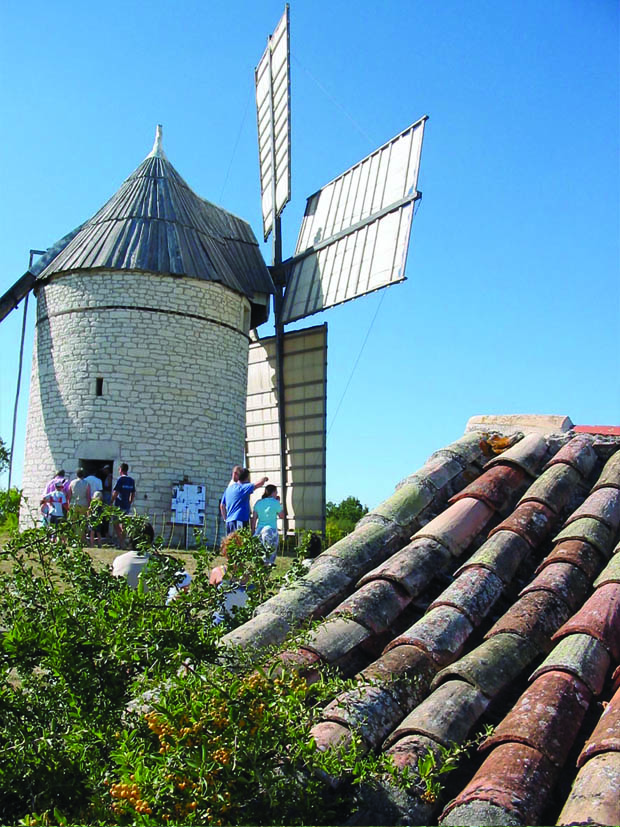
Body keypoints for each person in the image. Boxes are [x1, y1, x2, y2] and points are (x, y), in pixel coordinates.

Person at [220, 467, 268, 535]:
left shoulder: (229, 489)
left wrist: (226, 519)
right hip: (239, 520)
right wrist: (265, 478)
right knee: (240, 543)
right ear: (246, 478)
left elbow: (222, 505)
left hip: (229, 522)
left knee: (231, 543)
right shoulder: (243, 488)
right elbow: (259, 483)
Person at [251, 485, 284, 564]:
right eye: (276, 492)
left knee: (259, 555)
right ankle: (266, 573)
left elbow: (254, 518)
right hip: (270, 530)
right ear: (273, 493)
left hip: (259, 531)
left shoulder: (258, 502)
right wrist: (280, 504)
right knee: (269, 556)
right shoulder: (275, 503)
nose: (276, 494)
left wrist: (252, 530)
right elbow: (281, 516)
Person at [111, 462, 136, 548]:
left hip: (119, 505)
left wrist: (111, 502)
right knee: (124, 524)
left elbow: (116, 492)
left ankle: (121, 541)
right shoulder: (131, 480)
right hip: (126, 505)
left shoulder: (120, 480)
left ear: (120, 470)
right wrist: (130, 501)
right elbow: (133, 492)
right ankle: (123, 541)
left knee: (116, 523)